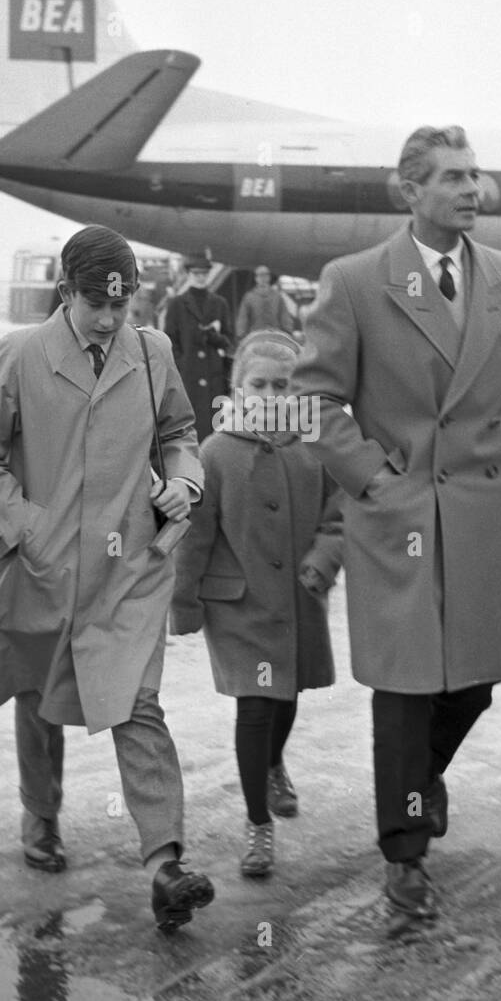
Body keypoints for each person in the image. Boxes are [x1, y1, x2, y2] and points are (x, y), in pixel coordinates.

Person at [290, 124, 501, 922]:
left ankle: (418, 780)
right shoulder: (356, 280)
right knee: (402, 688)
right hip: (398, 517)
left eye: (476, 176)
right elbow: (316, 399)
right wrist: (374, 482)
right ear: (411, 191)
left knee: (479, 678)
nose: (473, 190)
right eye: (454, 178)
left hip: (481, 513)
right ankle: (404, 854)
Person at [0, 225, 216, 933]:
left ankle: (165, 864)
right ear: (66, 292)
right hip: (44, 566)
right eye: (95, 305)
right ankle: (40, 814)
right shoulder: (18, 355)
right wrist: (26, 531)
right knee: (41, 699)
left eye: (123, 304)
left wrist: (183, 485)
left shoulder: (151, 350)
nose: (110, 319)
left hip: (129, 567)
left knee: (138, 706)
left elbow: (179, 434)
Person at [171, 330, 343, 877]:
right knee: (255, 706)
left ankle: (274, 763)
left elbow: (340, 516)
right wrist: (185, 601)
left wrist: (323, 560)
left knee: (287, 697)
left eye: (282, 386)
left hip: (298, 597)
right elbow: (195, 534)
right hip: (238, 605)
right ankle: (257, 825)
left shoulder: (315, 447)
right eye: (258, 384)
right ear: (237, 388)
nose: (270, 395)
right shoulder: (215, 453)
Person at [164, 253, 233, 439]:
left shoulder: (220, 304)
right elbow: (170, 341)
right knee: (191, 428)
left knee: (216, 429)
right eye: (196, 274)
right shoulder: (177, 305)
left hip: (214, 377)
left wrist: (214, 337)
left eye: (204, 273)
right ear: (188, 274)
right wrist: (182, 364)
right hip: (190, 378)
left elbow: (229, 340)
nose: (201, 278)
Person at [235, 265, 297, 339]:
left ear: (269, 277)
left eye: (265, 275)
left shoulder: (277, 296)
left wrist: (288, 331)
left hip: (276, 335)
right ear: (256, 278)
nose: (263, 278)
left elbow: (284, 315)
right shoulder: (249, 297)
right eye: (260, 276)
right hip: (254, 336)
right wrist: (241, 334)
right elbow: (243, 317)